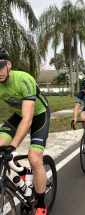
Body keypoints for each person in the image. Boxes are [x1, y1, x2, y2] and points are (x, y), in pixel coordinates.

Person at [0, 47, 50, 215]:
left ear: (8, 64)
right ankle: (22, 173)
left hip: (38, 116)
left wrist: (13, 146)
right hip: (18, 115)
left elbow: (28, 119)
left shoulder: (24, 80)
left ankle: (42, 204)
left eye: (0, 65)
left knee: (35, 159)